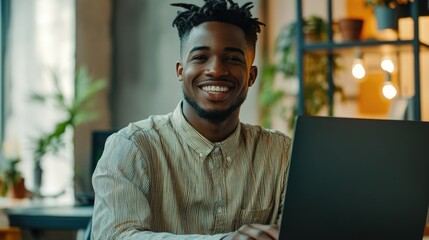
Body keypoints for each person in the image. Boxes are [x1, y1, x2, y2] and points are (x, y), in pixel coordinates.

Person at [91, 0, 291, 239]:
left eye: (233, 59)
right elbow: (116, 236)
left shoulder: (282, 154)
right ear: (180, 70)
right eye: (200, 57)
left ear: (251, 75)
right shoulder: (131, 148)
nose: (216, 70)